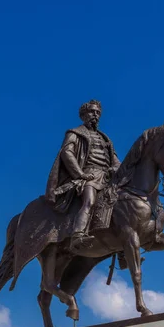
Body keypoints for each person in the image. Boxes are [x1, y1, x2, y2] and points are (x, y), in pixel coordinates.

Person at [45, 99, 121, 251]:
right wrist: (80, 174)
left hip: (106, 178)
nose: (95, 115)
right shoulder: (75, 133)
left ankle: (122, 250)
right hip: (88, 175)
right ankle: (77, 235)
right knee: (89, 201)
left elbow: (115, 160)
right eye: (92, 112)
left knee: (125, 206)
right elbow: (67, 153)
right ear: (84, 115)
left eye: (98, 113)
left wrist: (116, 168)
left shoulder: (105, 138)